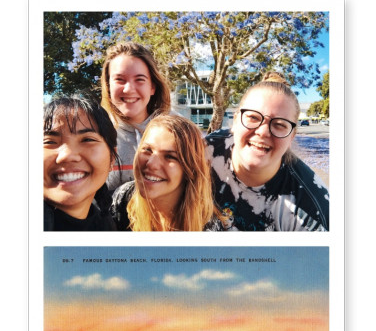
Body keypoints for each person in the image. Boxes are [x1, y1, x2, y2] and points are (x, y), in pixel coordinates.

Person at [206, 72, 329, 231]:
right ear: (235, 121)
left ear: (292, 136)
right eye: (253, 118)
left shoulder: (311, 209)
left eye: (279, 124)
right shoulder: (202, 152)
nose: (263, 132)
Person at [111, 115, 224, 231]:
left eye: (170, 157)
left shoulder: (209, 228)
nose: (151, 164)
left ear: (190, 169)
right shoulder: (122, 199)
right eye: (147, 150)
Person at [101, 41, 171, 192]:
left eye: (139, 79)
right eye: (119, 79)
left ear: (152, 87)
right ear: (108, 86)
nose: (129, 89)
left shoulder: (176, 132)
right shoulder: (96, 135)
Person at [43, 93, 119, 231]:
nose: (67, 155)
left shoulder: (106, 227)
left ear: (112, 158)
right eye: (49, 142)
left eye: (87, 140)